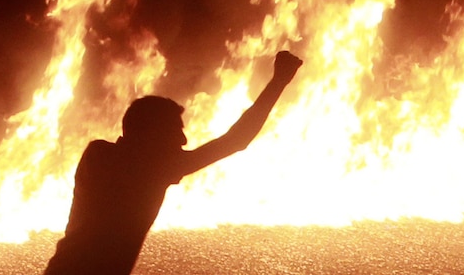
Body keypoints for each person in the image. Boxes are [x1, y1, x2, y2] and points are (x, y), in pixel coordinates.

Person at [43, 50, 304, 275]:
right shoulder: (153, 168)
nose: (183, 138)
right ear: (151, 134)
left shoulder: (98, 154)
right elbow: (236, 140)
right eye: (174, 131)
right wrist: (278, 82)